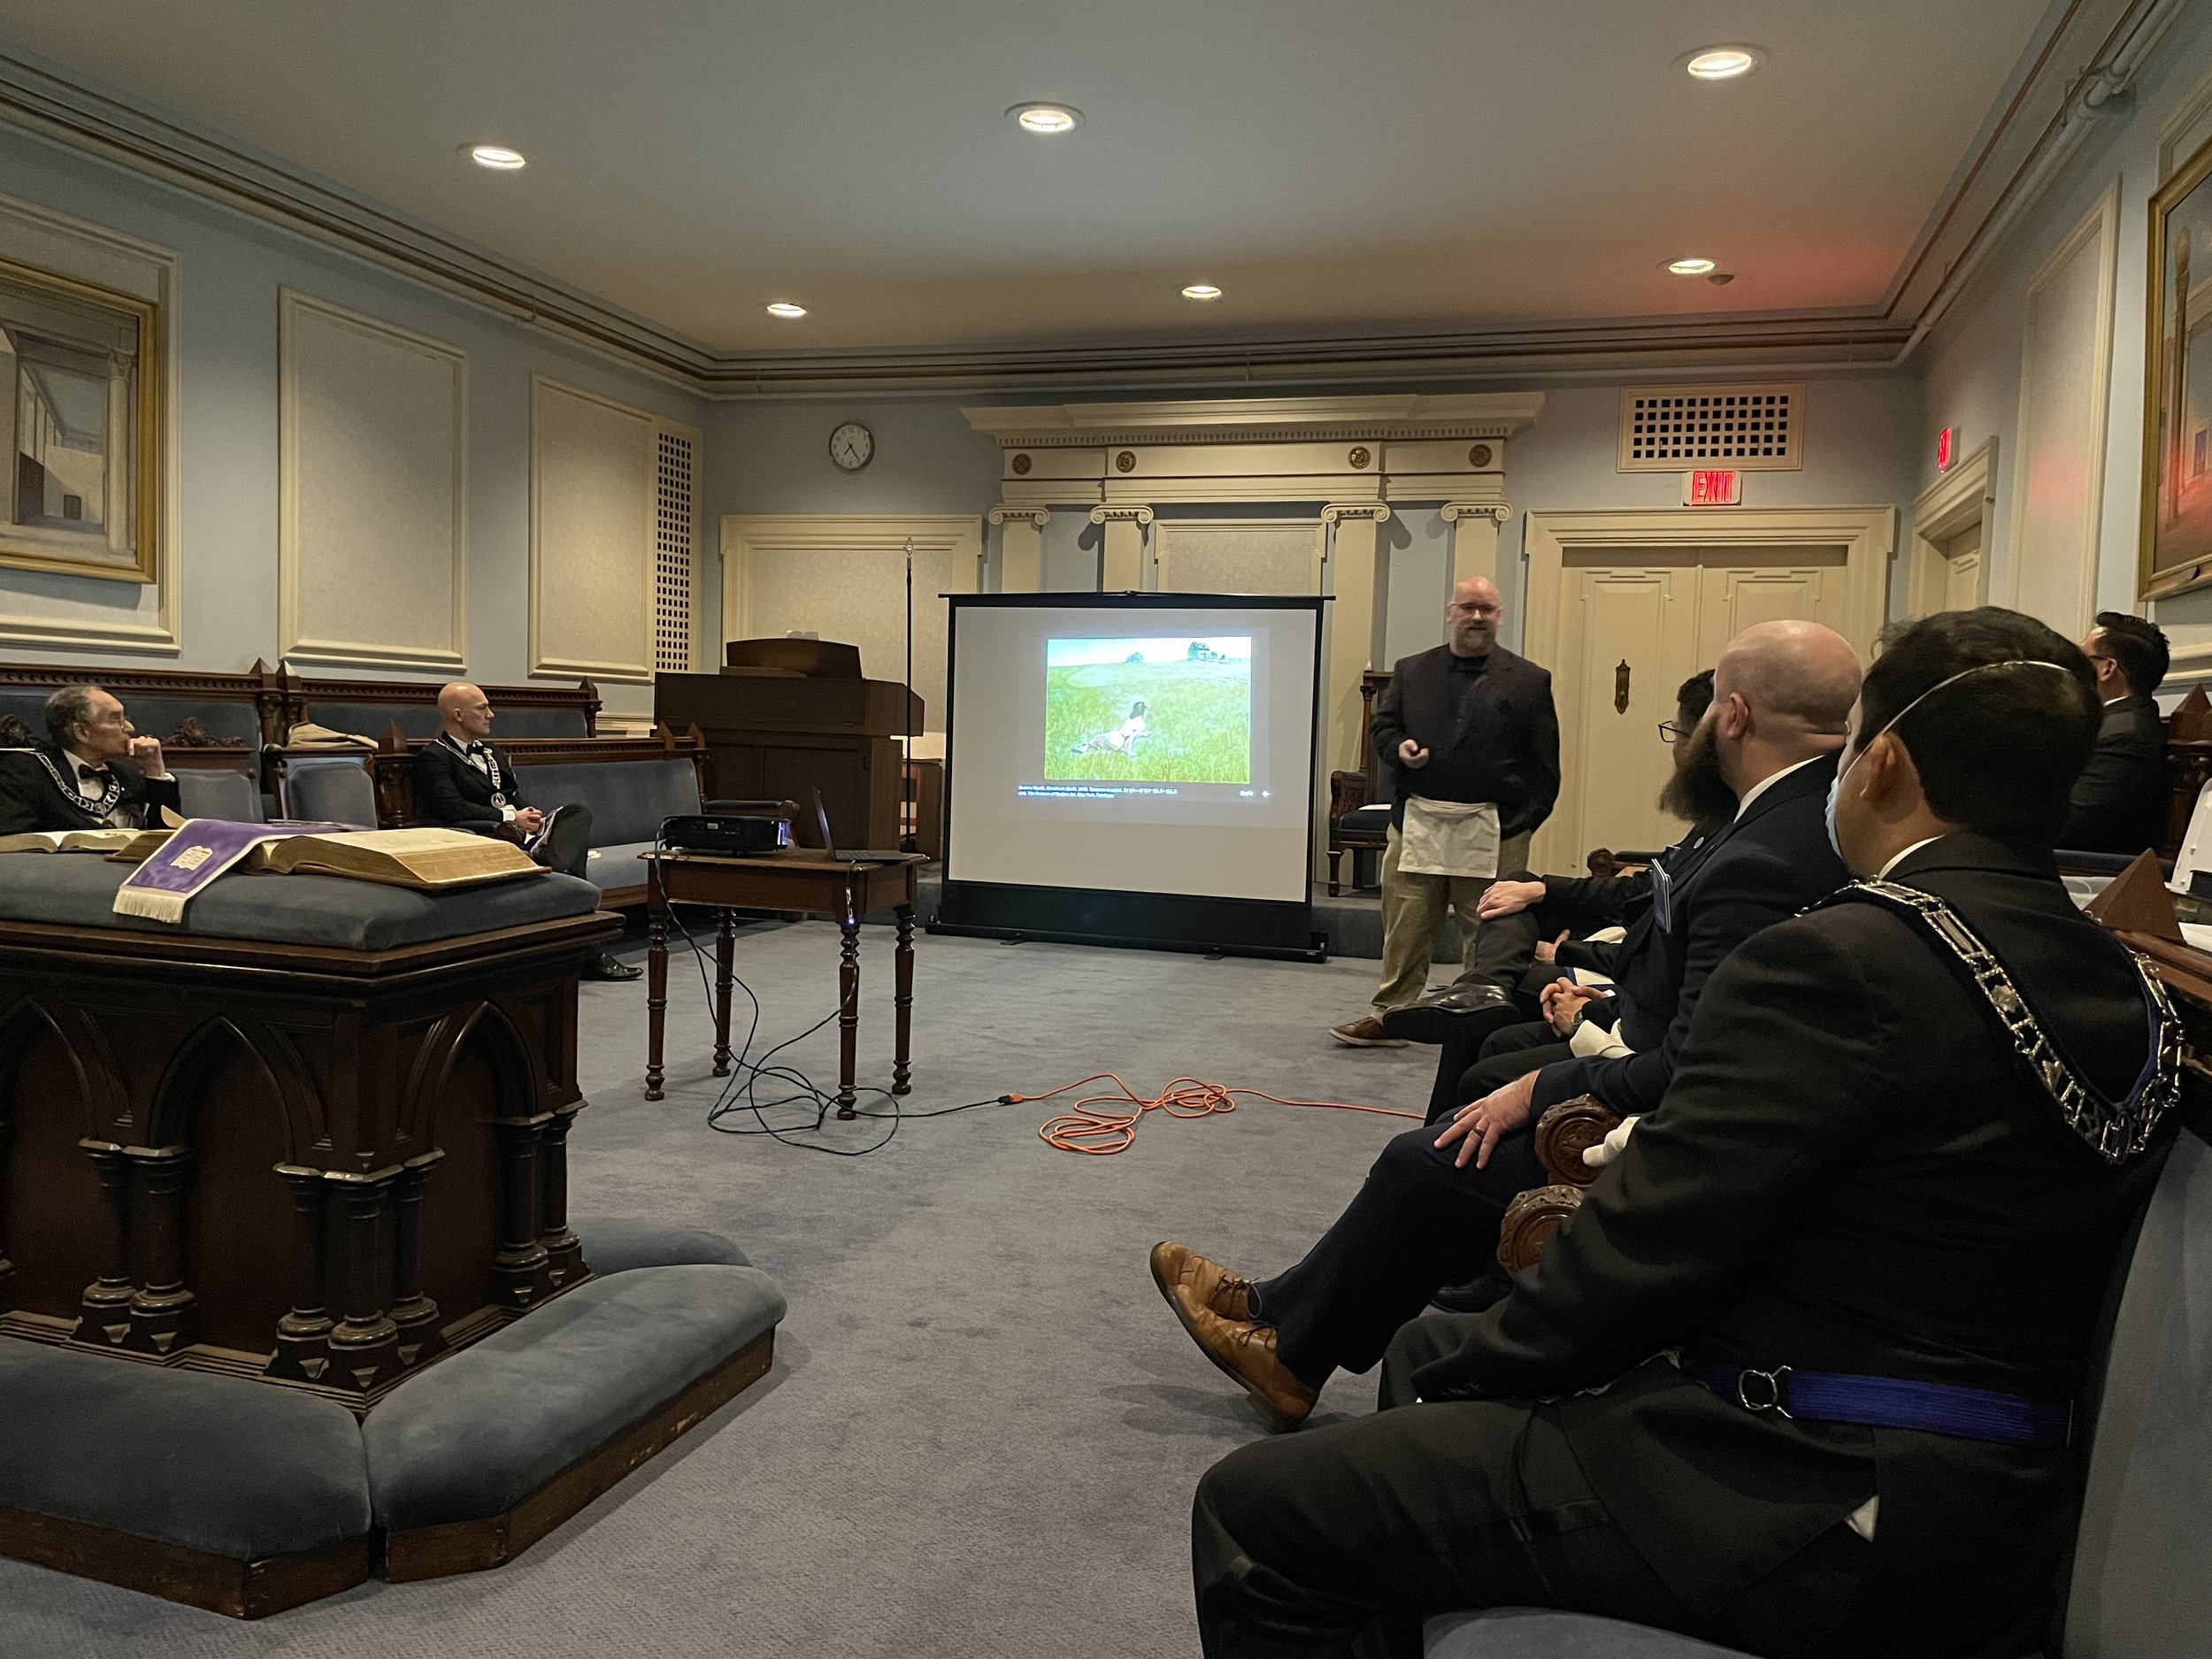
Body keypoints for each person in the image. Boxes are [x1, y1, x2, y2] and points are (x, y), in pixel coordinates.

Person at [1182, 605, 2181, 1659]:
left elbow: (1650, 1246)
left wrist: (1471, 1379)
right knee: (1429, 1361)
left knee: (1258, 1510)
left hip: (1802, 1489)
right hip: (1990, 1499)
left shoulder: (1842, 959)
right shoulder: (2127, 975)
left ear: (1878, 762)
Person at [1150, 620, 1859, 1428]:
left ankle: (1290, 1355)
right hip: (1656, 1057)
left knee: (1428, 1158)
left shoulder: (1767, 849)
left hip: (1679, 1134)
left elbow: (1691, 1064)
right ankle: (1279, 1306)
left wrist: (1547, 1080)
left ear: (1730, 716)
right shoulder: (1787, 816)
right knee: (1467, 1097)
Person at [1382, 669, 1723, 1044]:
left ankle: (1486, 991)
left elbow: (1662, 933)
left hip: (1642, 966)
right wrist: (1542, 889)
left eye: (1678, 734)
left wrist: (1564, 952)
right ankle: (1483, 986)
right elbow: (1642, 890)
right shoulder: (1716, 816)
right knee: (1520, 885)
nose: (1674, 747)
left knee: (1507, 1006)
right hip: (1630, 935)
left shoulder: (1735, 827)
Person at [1331, 576, 1560, 1047]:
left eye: (1488, 609)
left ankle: (1481, 1015)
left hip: (1497, 826)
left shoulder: (1530, 680)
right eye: (1469, 607)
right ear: (1450, 612)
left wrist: (1522, 825)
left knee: (1489, 930)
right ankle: (1392, 1014)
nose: (1477, 617)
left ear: (1499, 616)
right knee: (1406, 924)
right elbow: (1384, 728)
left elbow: (1545, 764)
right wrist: (1400, 749)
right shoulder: (1412, 670)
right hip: (1419, 821)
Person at [412, 681, 640, 981]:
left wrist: (530, 814)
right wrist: (509, 817)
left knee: (576, 813)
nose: (491, 714)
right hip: (482, 837)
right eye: (482, 708)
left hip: (517, 833)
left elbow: (511, 793)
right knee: (569, 860)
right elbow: (452, 809)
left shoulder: (492, 751)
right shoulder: (434, 757)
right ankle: (591, 950)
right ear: (458, 714)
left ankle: (550, 858)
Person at [0, 685, 180, 835]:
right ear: (82, 732)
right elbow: (14, 843)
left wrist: (155, 770)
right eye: (115, 718)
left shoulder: (127, 775)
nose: (130, 728)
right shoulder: (26, 772)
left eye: (125, 719)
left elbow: (168, 840)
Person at [2061, 610, 2169, 854]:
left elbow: (2072, 826)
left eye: (2080, 658)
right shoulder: (2116, 722)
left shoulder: (2125, 736)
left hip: (2086, 868)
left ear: (2106, 669)